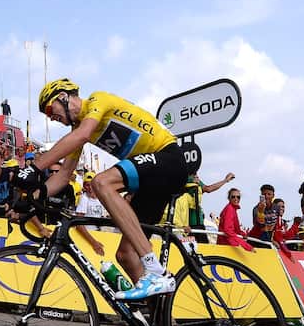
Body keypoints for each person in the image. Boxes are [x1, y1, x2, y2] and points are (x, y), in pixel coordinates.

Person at [28, 79, 192, 301]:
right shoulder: (78, 130)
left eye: (49, 110)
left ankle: (156, 271)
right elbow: (64, 175)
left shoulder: (98, 100)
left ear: (63, 97)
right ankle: (159, 320)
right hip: (150, 180)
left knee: (102, 182)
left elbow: (83, 134)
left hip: (168, 158)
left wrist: (33, 168)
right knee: (125, 254)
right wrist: (30, 198)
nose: (50, 117)